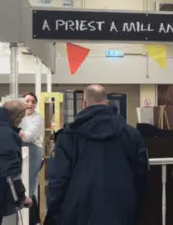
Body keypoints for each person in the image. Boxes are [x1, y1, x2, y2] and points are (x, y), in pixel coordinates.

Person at [45, 85, 148, 225]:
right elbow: (141, 174)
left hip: (78, 209)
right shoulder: (130, 134)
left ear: (84, 104)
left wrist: (54, 211)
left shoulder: (68, 136)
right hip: (121, 207)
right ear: (107, 103)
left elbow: (58, 179)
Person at [18, 91, 44, 198]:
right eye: (27, 101)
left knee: (28, 179)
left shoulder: (38, 119)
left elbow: (29, 137)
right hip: (20, 149)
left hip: (33, 151)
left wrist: (16, 131)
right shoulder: (20, 116)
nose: (30, 104)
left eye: (33, 102)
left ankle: (29, 206)